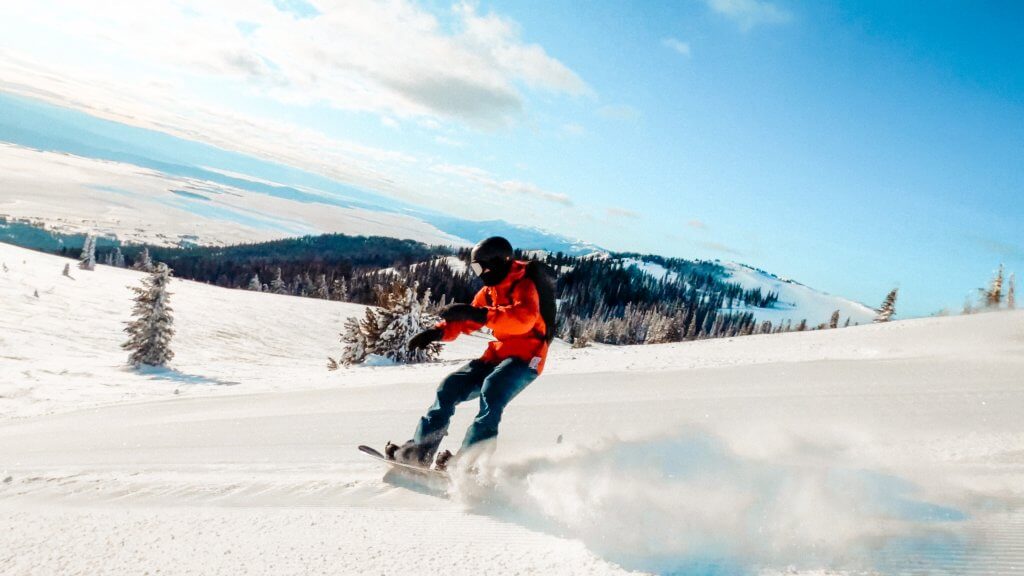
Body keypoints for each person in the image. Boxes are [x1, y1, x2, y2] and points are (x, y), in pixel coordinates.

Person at [390, 236, 551, 470]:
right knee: (450, 387)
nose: (479, 273)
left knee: (493, 391)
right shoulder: (489, 291)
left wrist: (480, 316)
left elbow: (522, 321)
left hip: (528, 357)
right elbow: (467, 319)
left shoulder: (525, 285)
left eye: (480, 266)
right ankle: (420, 451)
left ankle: (469, 463)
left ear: (498, 263)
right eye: (475, 267)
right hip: (498, 353)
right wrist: (436, 333)